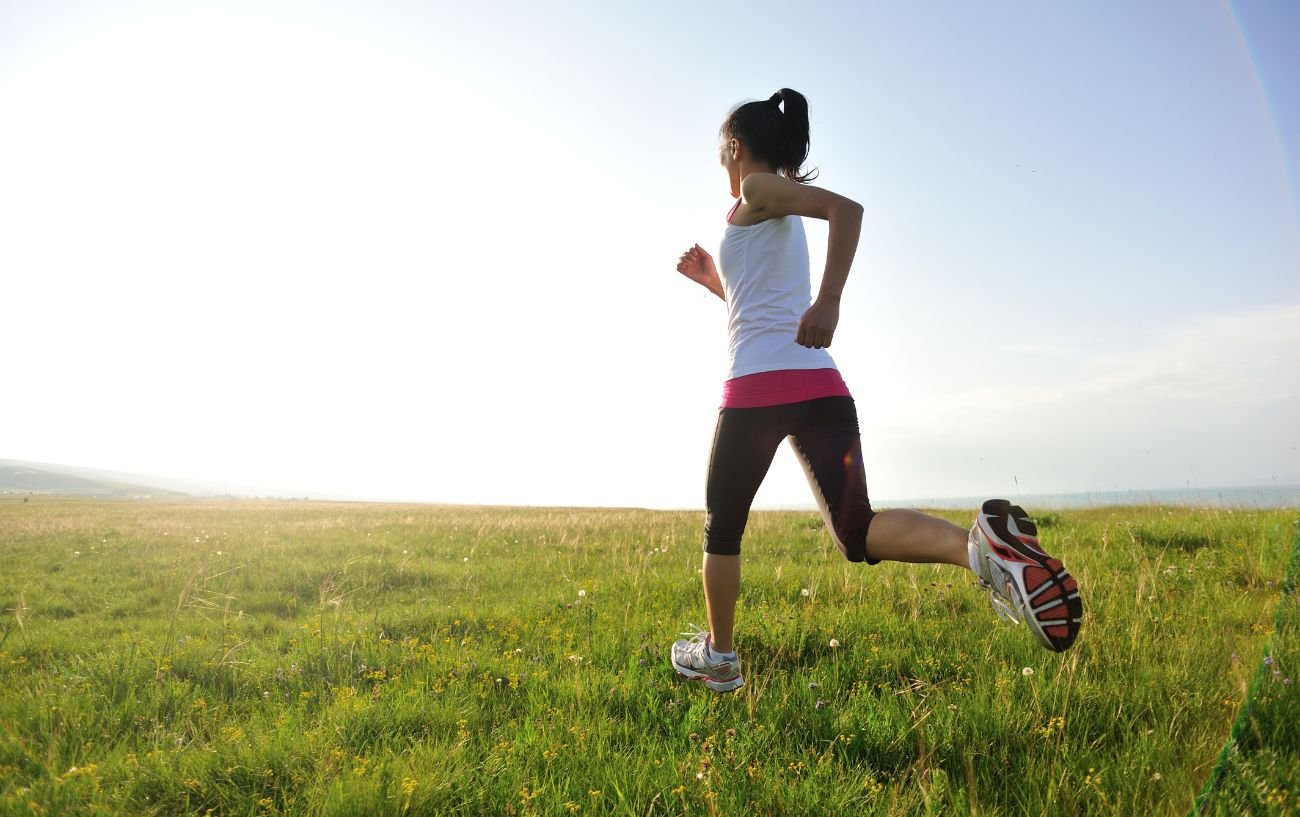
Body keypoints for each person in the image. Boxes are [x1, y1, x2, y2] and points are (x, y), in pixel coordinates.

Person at [670, 89, 1082, 693]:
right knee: (855, 530)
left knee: (722, 528)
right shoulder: (762, 211)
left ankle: (721, 658)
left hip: (757, 391)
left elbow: (848, 210)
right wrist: (715, 282)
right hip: (819, 387)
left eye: (720, 153)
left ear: (733, 147)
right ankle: (984, 554)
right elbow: (757, 311)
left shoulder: (758, 190)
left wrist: (830, 300)